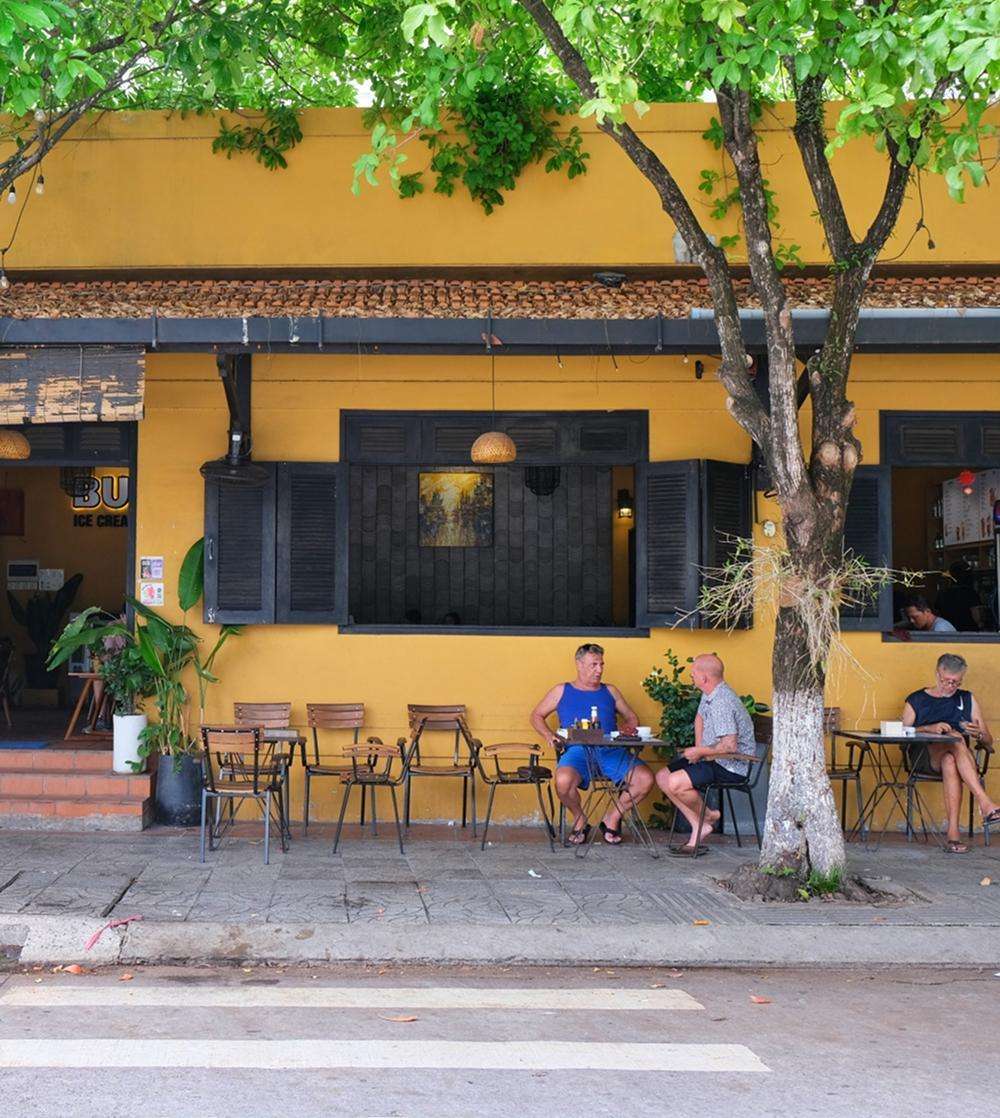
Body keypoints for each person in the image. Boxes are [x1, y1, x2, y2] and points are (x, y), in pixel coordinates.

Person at [530, 643, 653, 845]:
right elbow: (536, 715)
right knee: (562, 781)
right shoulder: (562, 690)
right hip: (577, 751)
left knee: (645, 779)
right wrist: (548, 735)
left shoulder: (610, 691)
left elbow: (631, 717)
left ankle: (612, 817)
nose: (599, 670)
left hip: (610, 750)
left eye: (601, 664)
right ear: (579, 664)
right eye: (593, 665)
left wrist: (628, 727)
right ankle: (580, 819)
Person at [655, 653, 757, 855]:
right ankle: (702, 822)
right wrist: (699, 747)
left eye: (693, 673)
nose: (691, 676)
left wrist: (700, 751)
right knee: (663, 777)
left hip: (730, 765)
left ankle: (705, 820)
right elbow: (700, 717)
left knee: (675, 783)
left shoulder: (722, 702)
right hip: (712, 758)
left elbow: (729, 746)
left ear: (704, 678)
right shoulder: (710, 693)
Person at [901, 653, 1000, 853]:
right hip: (926, 757)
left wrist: (979, 734)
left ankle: (953, 834)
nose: (951, 686)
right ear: (938, 674)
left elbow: (989, 742)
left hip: (958, 762)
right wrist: (929, 728)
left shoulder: (966, 698)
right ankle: (985, 802)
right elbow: (902, 731)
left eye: (956, 682)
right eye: (947, 681)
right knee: (955, 739)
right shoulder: (917, 699)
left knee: (950, 759)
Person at [934, 562, 982, 632]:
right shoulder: (970, 593)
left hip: (948, 631)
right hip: (969, 633)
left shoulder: (943, 593)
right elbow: (977, 617)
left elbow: (937, 614)